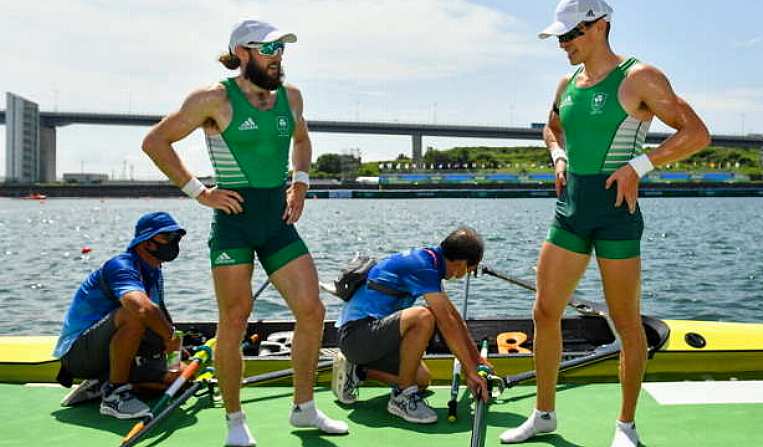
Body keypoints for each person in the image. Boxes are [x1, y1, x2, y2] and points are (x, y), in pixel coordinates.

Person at [500, 1, 711, 446]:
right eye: (558, 37)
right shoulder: (567, 82)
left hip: (616, 212)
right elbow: (552, 127)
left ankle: (626, 426)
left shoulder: (640, 78)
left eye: (570, 35)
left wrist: (640, 165)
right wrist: (558, 157)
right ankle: (543, 414)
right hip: (571, 209)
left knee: (626, 322)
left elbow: (696, 133)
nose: (563, 44)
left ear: (599, 27)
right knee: (544, 311)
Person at [141, 19, 347, 446]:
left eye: (282, 50)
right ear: (243, 52)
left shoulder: (291, 97)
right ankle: (235, 421)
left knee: (312, 312)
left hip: (278, 221)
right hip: (234, 223)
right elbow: (156, 142)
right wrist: (200, 192)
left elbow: (302, 141)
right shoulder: (212, 98)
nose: (278, 58)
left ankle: (304, 409)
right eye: (269, 50)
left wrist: (301, 183)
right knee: (234, 321)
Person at [331, 227, 489, 424]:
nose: (468, 273)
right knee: (424, 317)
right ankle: (402, 398)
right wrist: (470, 372)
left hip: (374, 337)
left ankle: (357, 371)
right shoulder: (423, 266)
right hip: (356, 336)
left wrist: (476, 362)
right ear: (462, 263)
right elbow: (446, 324)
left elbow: (455, 318)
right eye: (471, 269)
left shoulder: (431, 262)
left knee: (422, 380)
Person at [53, 211, 186, 419]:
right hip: (77, 354)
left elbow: (159, 316)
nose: (174, 242)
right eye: (167, 237)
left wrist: (177, 353)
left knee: (180, 378)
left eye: (177, 237)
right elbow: (141, 309)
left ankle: (103, 382)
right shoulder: (121, 266)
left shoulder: (154, 270)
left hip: (108, 347)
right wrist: (170, 338)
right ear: (146, 242)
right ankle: (115, 394)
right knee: (132, 314)